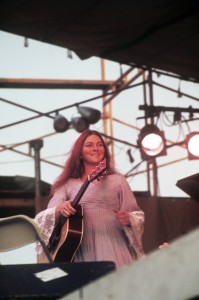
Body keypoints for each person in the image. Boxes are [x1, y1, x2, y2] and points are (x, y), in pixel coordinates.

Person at [34, 129, 145, 269]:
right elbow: (42, 220)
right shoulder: (67, 185)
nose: (95, 148)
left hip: (113, 246)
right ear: (79, 153)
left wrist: (129, 219)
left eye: (100, 145)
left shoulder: (118, 181)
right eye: (89, 145)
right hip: (79, 249)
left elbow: (137, 216)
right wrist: (59, 209)